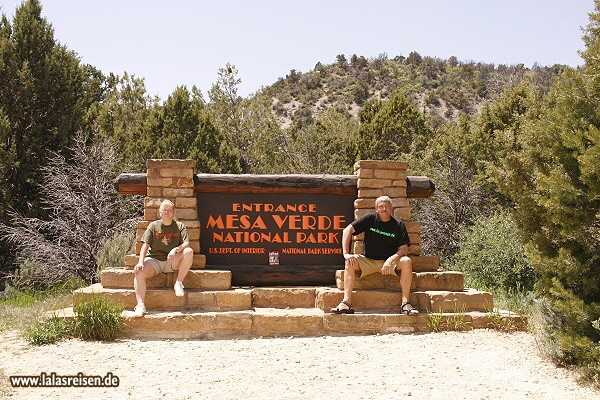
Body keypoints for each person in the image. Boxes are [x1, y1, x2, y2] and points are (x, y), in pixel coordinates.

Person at [330, 195, 418, 315]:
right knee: (349, 262)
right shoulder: (370, 218)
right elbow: (347, 230)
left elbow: (403, 249)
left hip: (389, 263)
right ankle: (346, 303)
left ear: (391, 208)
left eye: (386, 206)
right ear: (376, 209)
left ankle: (405, 304)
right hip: (368, 261)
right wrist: (346, 254)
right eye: (380, 206)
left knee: (406, 261)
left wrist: (391, 259)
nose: (384, 209)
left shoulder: (398, 225)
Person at [132, 199, 194, 317]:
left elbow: (186, 243)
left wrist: (175, 250)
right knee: (138, 271)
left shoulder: (179, 226)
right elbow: (145, 245)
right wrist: (140, 262)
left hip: (172, 261)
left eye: (169, 210)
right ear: (160, 213)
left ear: (173, 212)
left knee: (189, 252)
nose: (167, 212)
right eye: (164, 210)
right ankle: (140, 305)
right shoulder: (153, 226)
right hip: (154, 261)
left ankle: (178, 283)